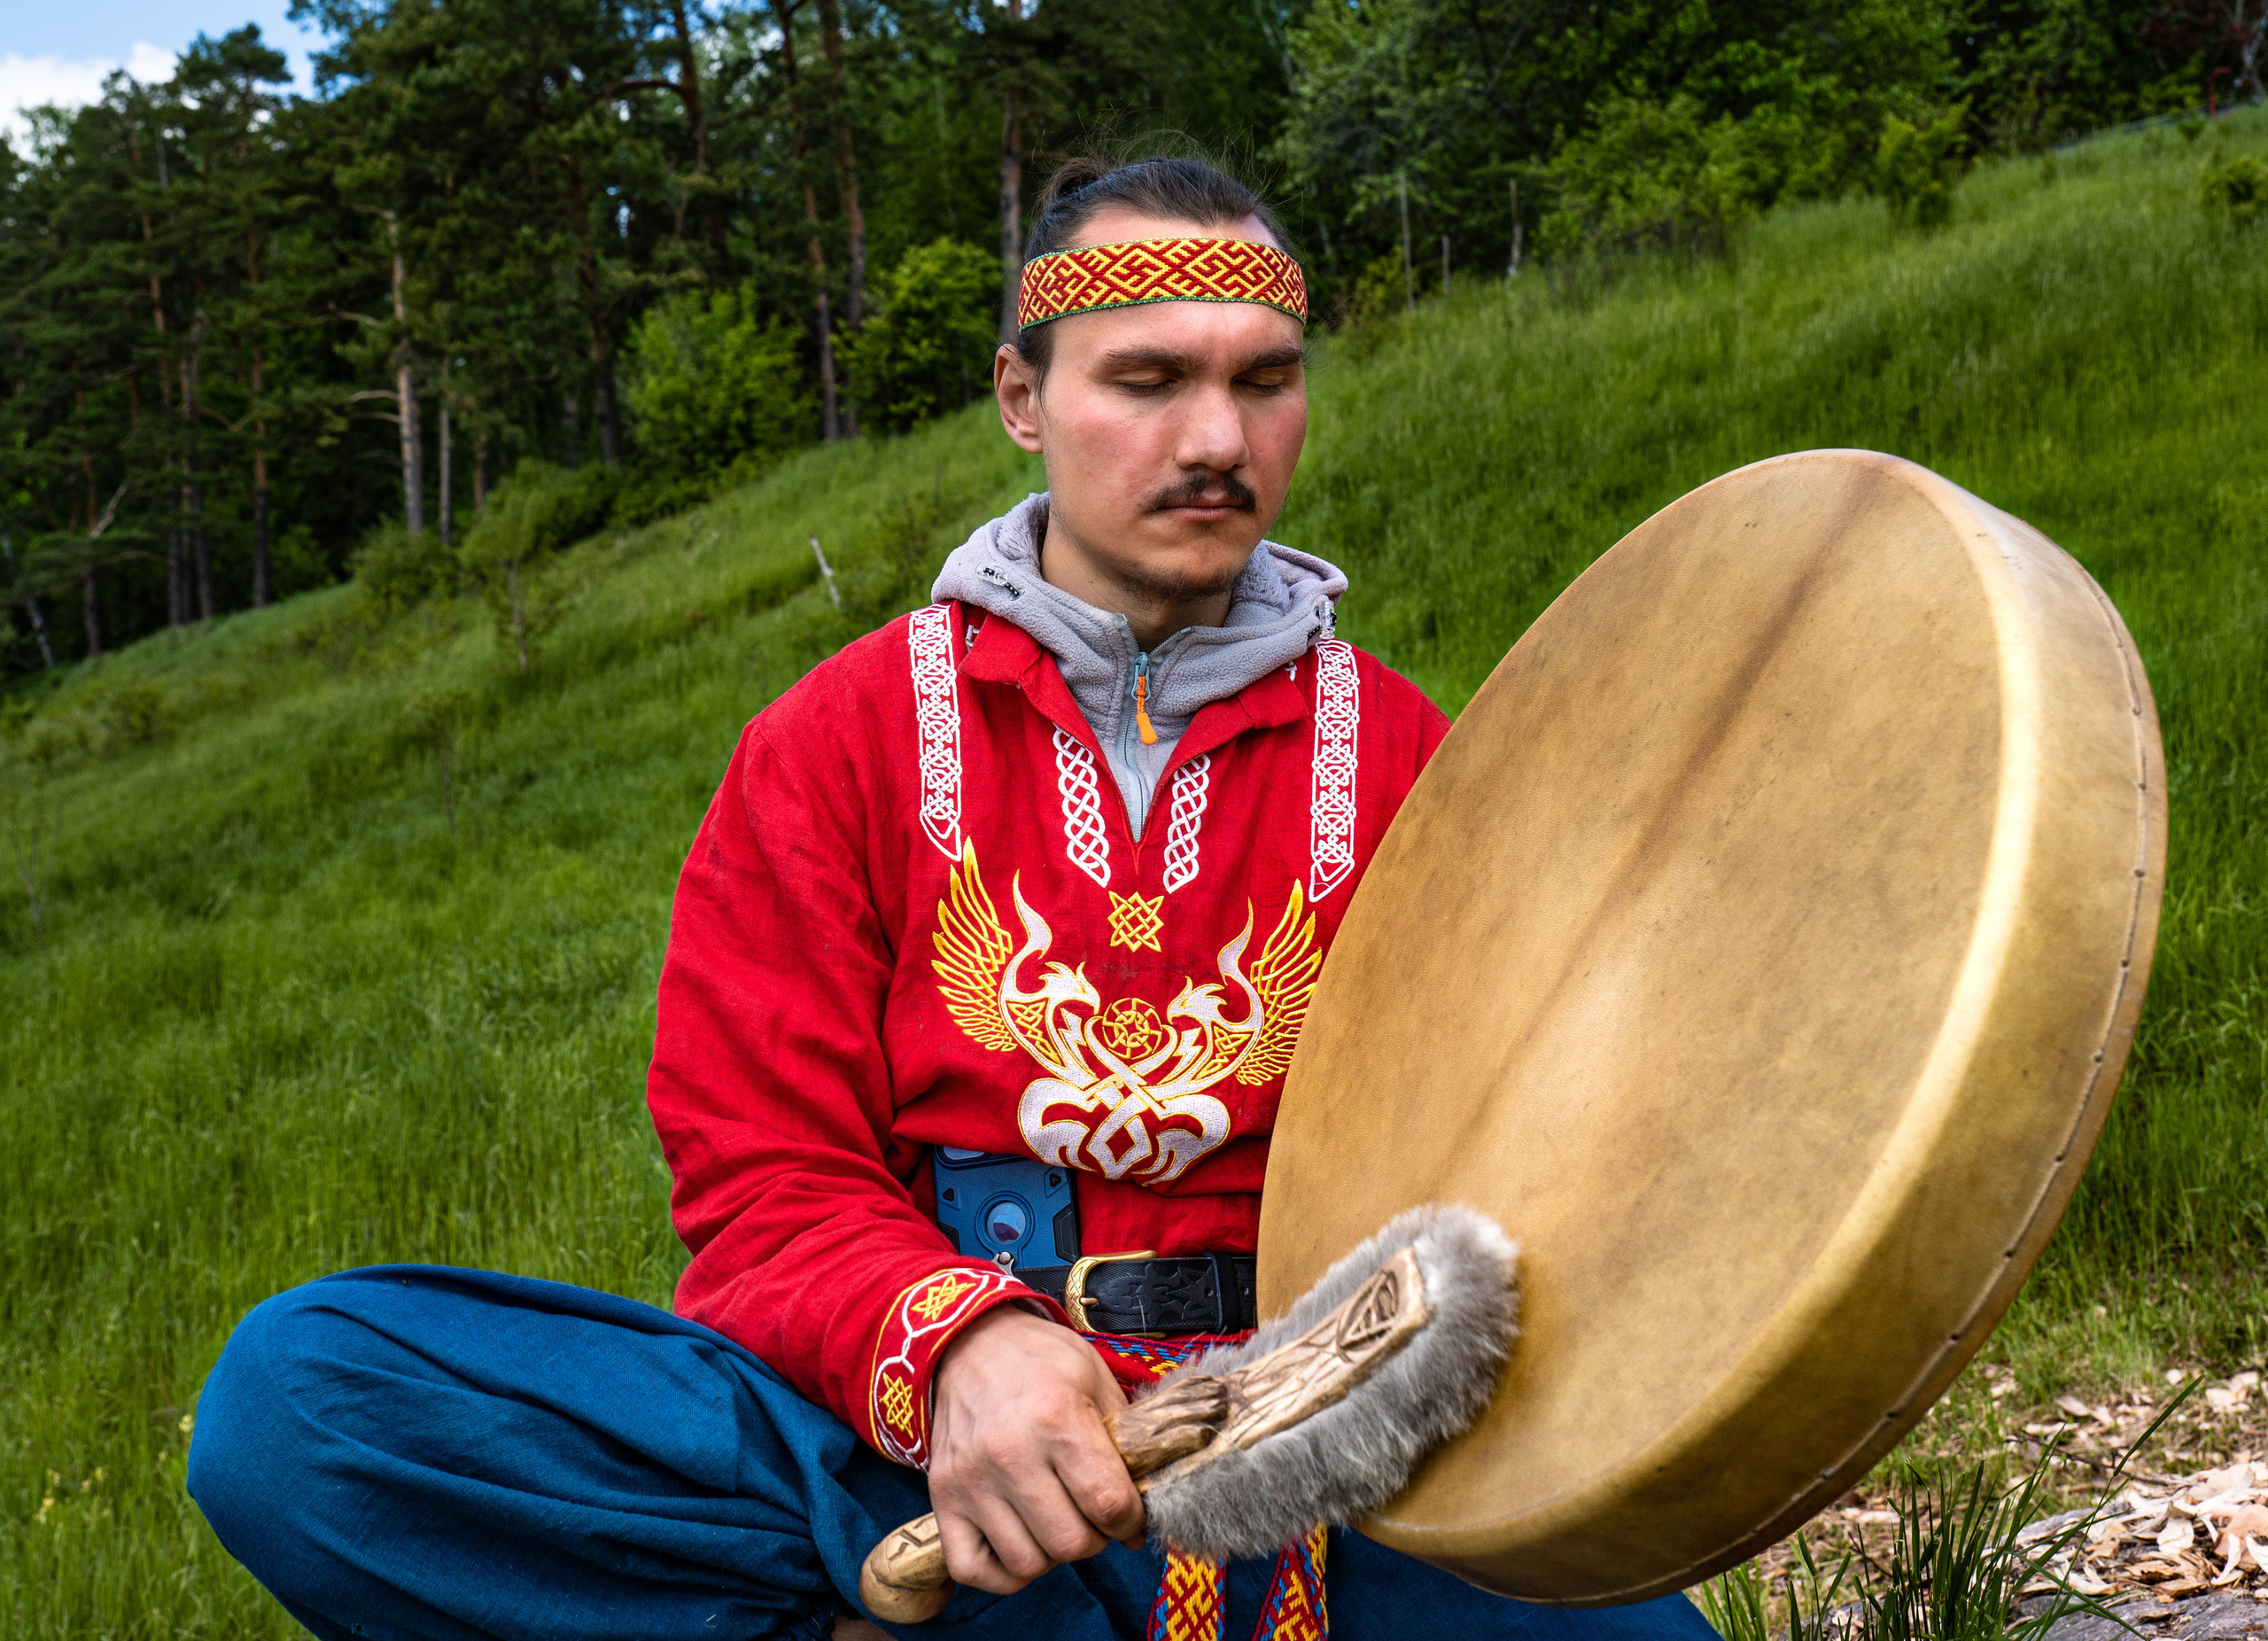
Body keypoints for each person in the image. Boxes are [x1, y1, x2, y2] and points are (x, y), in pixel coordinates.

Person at [186, 156, 1721, 1641]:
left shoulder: (1402, 755)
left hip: (1308, 1456)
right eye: (1146, 380)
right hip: (919, 1447)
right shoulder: (834, 743)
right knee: (303, 1403)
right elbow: (761, 1176)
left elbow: (1521, 1150)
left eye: (1266, 380)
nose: (1216, 436)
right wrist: (960, 1344)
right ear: (1019, 401)